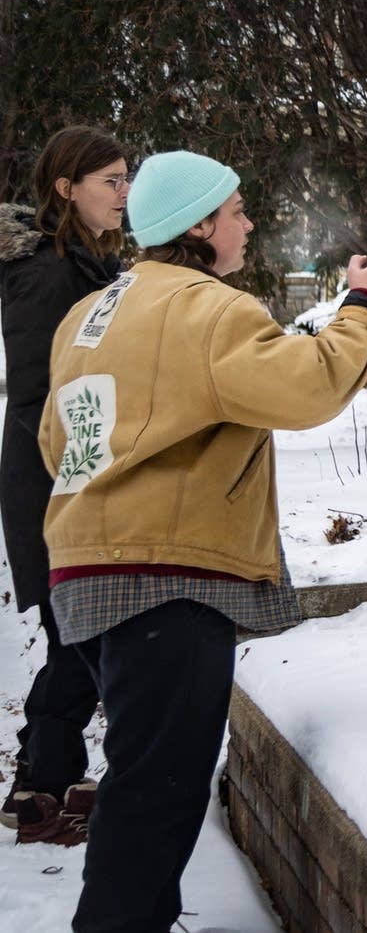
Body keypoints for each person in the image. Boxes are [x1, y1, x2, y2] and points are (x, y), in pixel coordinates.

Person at [39, 150, 367, 931]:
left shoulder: (92, 314)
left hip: (84, 573)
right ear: (198, 225)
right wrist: (365, 304)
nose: (249, 223)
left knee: (145, 778)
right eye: (236, 211)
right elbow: (307, 385)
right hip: (167, 582)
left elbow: (54, 440)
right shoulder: (208, 310)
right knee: (154, 793)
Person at [0, 126, 128, 846]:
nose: (123, 192)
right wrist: (91, 465)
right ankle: (44, 783)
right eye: (109, 180)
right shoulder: (48, 273)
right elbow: (35, 397)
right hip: (53, 485)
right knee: (82, 637)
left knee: (76, 636)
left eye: (126, 178)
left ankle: (41, 783)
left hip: (75, 480)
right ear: (64, 188)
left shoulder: (89, 264)